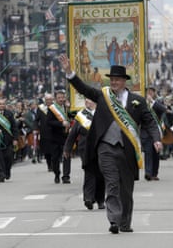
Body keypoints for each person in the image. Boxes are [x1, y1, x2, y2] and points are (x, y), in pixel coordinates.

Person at [58, 54, 162, 234]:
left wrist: (156, 139)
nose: (113, 82)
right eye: (112, 79)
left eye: (117, 80)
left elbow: (150, 122)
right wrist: (69, 72)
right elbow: (83, 88)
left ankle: (124, 222)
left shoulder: (137, 101)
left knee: (126, 190)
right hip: (105, 148)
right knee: (112, 183)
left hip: (128, 150)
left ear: (124, 81)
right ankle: (113, 220)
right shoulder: (102, 96)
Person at [63, 98, 105, 209]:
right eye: (86, 101)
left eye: (90, 100)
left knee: (100, 174)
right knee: (89, 171)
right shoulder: (81, 115)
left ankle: (100, 200)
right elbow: (73, 133)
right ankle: (88, 198)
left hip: (101, 148)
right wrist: (67, 149)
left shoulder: (103, 113)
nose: (87, 102)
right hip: (85, 148)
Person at [47, 90, 71, 184]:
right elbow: (49, 122)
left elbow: (73, 117)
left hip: (66, 137)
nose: (61, 99)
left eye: (62, 97)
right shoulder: (52, 108)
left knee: (66, 156)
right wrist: (61, 123)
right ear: (55, 99)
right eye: (59, 98)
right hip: (55, 137)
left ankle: (66, 176)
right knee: (55, 158)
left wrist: (70, 109)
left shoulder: (66, 107)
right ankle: (57, 174)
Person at [143, 87, 166, 181]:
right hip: (146, 132)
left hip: (156, 132)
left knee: (156, 153)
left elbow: (163, 109)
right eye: (148, 92)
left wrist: (152, 101)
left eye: (151, 92)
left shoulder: (157, 103)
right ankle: (148, 173)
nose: (149, 93)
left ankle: (154, 173)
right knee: (148, 153)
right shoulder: (143, 103)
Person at [34, 94, 54, 171]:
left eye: (50, 99)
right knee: (46, 150)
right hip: (44, 132)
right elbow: (36, 120)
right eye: (47, 100)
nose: (48, 101)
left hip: (54, 131)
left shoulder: (56, 107)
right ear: (45, 100)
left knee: (54, 150)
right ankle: (49, 164)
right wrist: (35, 128)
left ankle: (54, 164)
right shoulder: (41, 108)